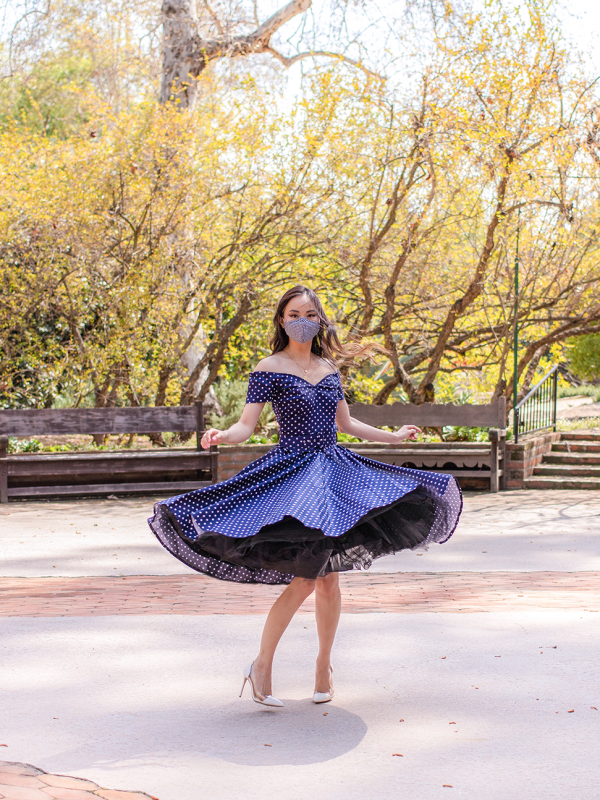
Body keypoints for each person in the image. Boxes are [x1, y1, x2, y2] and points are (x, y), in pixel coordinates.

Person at [148, 285, 462, 708]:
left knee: (329, 581)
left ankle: (322, 667)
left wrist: (393, 436)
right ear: (281, 320)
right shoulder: (269, 367)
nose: (302, 320)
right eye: (294, 313)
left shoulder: (329, 368)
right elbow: (246, 425)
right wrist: (222, 435)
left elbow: (347, 425)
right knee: (306, 578)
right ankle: (262, 665)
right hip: (295, 478)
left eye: (310, 314)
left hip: (332, 474)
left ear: (320, 321)